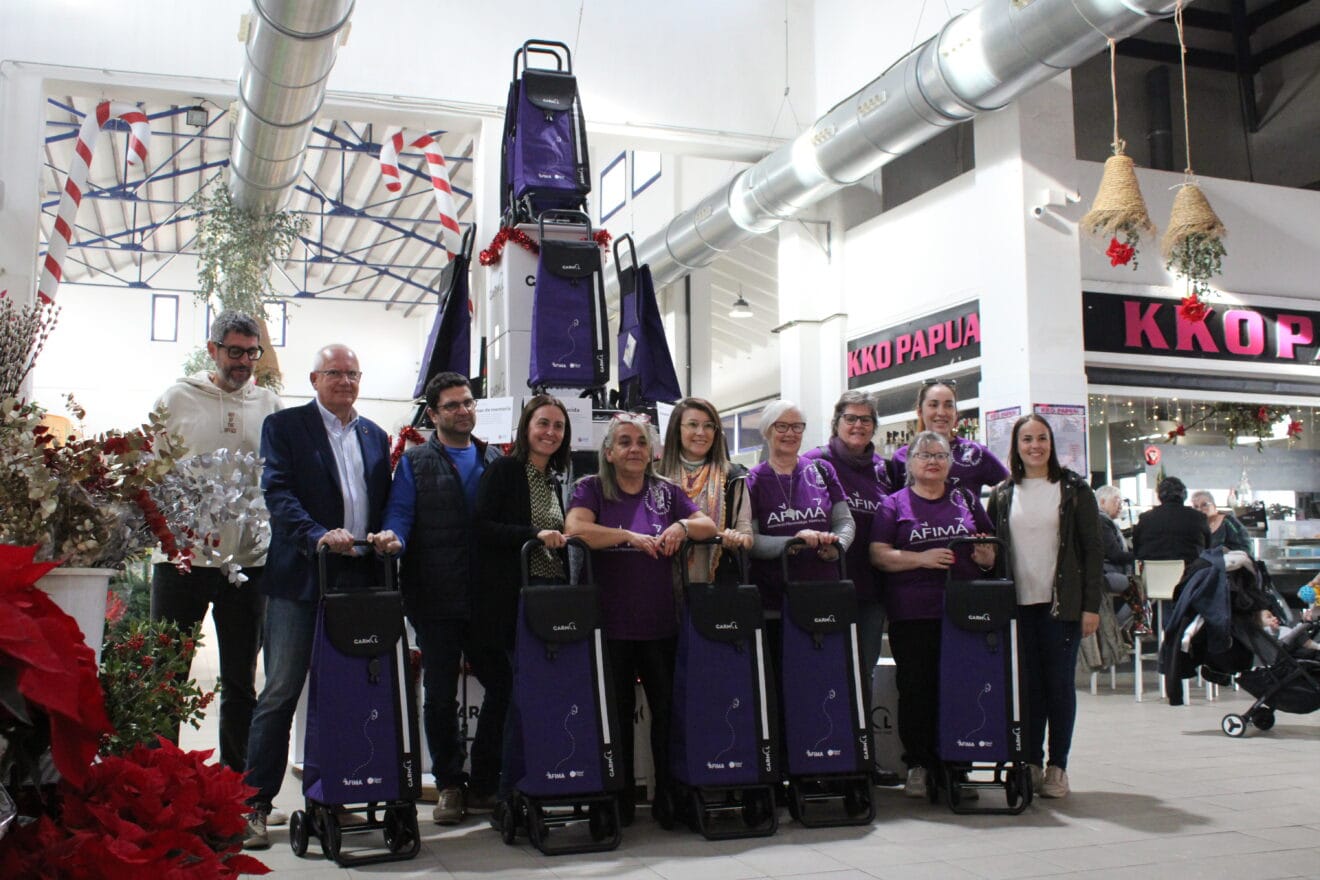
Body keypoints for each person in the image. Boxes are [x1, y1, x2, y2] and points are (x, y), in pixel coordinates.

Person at [243, 344, 391, 850]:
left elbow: (385, 502)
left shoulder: (375, 435)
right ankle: (254, 807)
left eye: (352, 373)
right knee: (280, 692)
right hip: (300, 580)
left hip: (357, 584)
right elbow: (278, 494)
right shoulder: (284, 429)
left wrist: (389, 533)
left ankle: (334, 796)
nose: (345, 381)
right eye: (334, 373)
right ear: (313, 378)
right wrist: (316, 534)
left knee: (346, 694)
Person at [370, 372, 508, 825]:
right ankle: (450, 784)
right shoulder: (414, 463)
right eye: (451, 405)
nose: (462, 411)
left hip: (486, 599)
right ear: (433, 414)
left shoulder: (494, 460)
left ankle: (486, 781)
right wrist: (394, 539)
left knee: (505, 684)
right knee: (440, 695)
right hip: (434, 597)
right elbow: (400, 515)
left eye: (467, 403)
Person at [564, 413, 715, 824]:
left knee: (667, 715)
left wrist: (682, 525)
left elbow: (708, 524)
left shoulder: (666, 492)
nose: (634, 449)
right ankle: (617, 802)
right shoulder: (590, 488)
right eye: (625, 442)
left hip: (660, 624)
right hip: (608, 625)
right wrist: (628, 536)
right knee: (614, 716)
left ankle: (669, 799)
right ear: (609, 451)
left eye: (642, 443)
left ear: (653, 452)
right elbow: (576, 529)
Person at [150, 311, 281, 776]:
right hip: (182, 561)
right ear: (213, 349)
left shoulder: (269, 404)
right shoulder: (177, 398)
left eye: (252, 352)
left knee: (242, 681)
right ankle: (157, 778)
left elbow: (279, 478)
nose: (244, 361)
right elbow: (151, 471)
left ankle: (235, 784)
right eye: (235, 351)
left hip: (247, 563)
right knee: (166, 673)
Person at [869, 430, 995, 800]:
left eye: (940, 455)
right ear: (910, 463)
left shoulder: (966, 500)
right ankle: (920, 764)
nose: (933, 461)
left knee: (960, 689)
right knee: (917, 690)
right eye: (924, 455)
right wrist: (921, 559)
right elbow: (878, 554)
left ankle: (957, 763)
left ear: (949, 463)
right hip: (913, 613)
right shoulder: (893, 505)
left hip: (962, 612)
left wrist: (987, 556)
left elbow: (988, 544)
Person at [986, 415, 1103, 800]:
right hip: (1017, 606)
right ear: (1016, 446)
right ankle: (1031, 761)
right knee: (1028, 687)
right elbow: (992, 549)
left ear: (1051, 443)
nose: (1035, 445)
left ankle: (1059, 766)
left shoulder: (1073, 489)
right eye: (1026, 439)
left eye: (1041, 438)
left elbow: (1092, 551)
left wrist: (1090, 606)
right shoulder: (1003, 493)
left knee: (1059, 686)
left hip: (1061, 607)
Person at [472, 394, 571, 828]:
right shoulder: (506, 470)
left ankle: (531, 781)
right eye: (543, 423)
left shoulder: (555, 479)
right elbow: (482, 527)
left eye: (558, 427)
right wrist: (535, 533)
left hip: (546, 600)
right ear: (526, 427)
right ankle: (496, 787)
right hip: (508, 601)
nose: (550, 432)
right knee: (511, 694)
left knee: (531, 694)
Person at [802, 391, 894, 687]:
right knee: (824, 673)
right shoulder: (814, 462)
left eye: (865, 419)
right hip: (827, 587)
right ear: (837, 422)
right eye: (850, 418)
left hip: (871, 591)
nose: (858, 425)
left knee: (863, 673)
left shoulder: (884, 469)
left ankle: (861, 734)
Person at [746, 400, 856, 632]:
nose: (790, 433)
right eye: (781, 426)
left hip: (826, 593)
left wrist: (838, 546)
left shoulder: (822, 470)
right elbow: (751, 541)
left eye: (797, 426)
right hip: (775, 602)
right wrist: (794, 541)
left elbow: (844, 522)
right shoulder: (752, 480)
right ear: (767, 430)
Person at [657, 397, 753, 583]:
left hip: (717, 586)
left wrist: (736, 539)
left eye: (709, 426)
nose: (701, 432)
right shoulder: (655, 475)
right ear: (677, 430)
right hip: (661, 581)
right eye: (693, 424)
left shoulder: (734, 476)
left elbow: (747, 537)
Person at [889, 380, 1008, 497]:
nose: (941, 412)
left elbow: (1010, 487)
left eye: (948, 405)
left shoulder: (975, 453)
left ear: (955, 413)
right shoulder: (902, 457)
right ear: (920, 411)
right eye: (933, 405)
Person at [1095, 484, 1148, 634]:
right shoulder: (1101, 521)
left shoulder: (1105, 521)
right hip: (1105, 574)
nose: (1120, 505)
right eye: (1116, 500)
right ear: (1102, 502)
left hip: (1108, 571)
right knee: (1142, 589)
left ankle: (1122, 629)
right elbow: (1115, 555)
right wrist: (1140, 555)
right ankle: (1115, 629)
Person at [1132, 476, 1210, 565]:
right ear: (1184, 495)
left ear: (1159, 496)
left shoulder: (1145, 518)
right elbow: (1208, 549)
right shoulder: (1199, 517)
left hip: (1152, 575)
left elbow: (1136, 550)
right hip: (1190, 575)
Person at [1190, 490, 1252, 555]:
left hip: (1229, 562)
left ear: (1214, 505)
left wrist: (1228, 552)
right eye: (1195, 507)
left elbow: (1246, 548)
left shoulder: (1227, 521)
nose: (1199, 509)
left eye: (1204, 505)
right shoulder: (1194, 526)